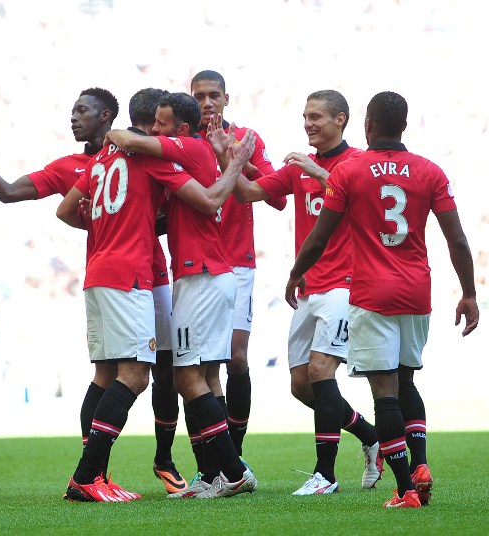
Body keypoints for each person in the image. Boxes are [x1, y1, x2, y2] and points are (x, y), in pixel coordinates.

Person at [0, 89, 188, 493]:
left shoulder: (140, 151)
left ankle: (163, 460)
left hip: (151, 274)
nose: (72, 118)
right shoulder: (70, 167)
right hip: (123, 277)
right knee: (115, 374)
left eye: (81, 111)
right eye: (72, 111)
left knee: (164, 369)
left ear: (107, 115)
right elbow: (8, 191)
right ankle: (94, 473)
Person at [59, 88, 257, 501]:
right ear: (153, 125)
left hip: (111, 273)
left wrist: (113, 227)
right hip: (142, 275)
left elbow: (65, 210)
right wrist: (234, 164)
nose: (161, 134)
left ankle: (220, 471)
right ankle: (90, 476)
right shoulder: (154, 157)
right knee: (153, 375)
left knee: (160, 376)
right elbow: (207, 200)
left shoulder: (101, 158)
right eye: (159, 125)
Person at [285, 90, 479, 508]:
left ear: (367, 125)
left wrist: (295, 273)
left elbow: (319, 237)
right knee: (408, 379)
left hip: (372, 292)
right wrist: (469, 293)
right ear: (404, 126)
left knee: (384, 392)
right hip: (416, 291)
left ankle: (406, 488)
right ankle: (421, 461)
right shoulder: (430, 171)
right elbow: (458, 240)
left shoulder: (350, 172)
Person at [231, 90, 382, 495]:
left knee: (320, 372)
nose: (308, 123)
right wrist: (233, 158)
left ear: (341, 119)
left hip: (345, 284)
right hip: (309, 285)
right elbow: (248, 193)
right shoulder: (297, 168)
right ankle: (370, 437)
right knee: (301, 385)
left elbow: (365, 203)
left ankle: (326, 476)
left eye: (316, 116)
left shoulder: (356, 163)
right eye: (305, 116)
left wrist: (315, 171)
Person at [189, 69, 287, 467]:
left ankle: (236, 454)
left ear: (227, 99)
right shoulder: (183, 142)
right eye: (199, 96)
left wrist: (235, 158)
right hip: (195, 264)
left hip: (238, 260)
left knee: (236, 357)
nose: (207, 102)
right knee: (196, 365)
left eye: (214, 95)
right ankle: (211, 462)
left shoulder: (247, 138)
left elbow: (275, 193)